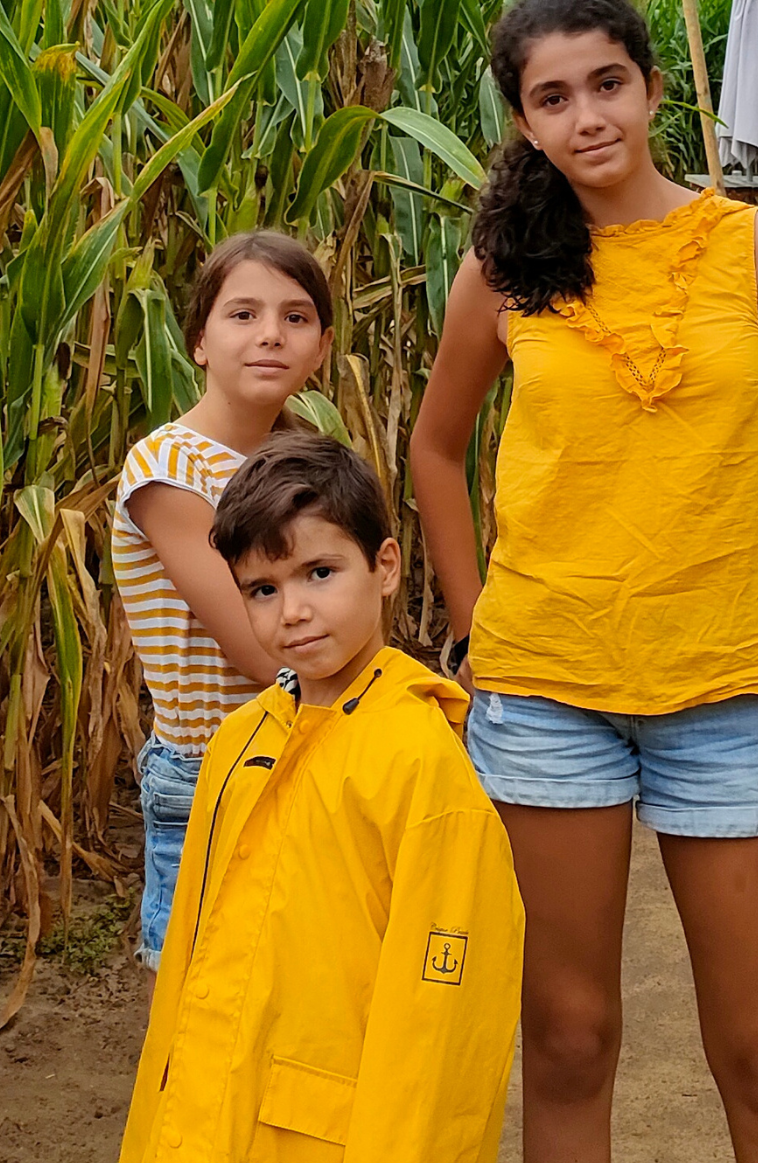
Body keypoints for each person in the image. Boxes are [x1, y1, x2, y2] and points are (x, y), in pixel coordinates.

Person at [409, 0, 758, 1162]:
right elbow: (434, 448)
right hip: (545, 695)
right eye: (550, 97)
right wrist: (472, 630)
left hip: (730, 697)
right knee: (564, 1039)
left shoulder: (751, 251)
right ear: (522, 122)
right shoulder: (502, 269)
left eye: (606, 83)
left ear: (651, 88)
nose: (585, 115)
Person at [120, 435, 524, 1163]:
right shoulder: (239, 743)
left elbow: (443, 1027)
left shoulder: (419, 764)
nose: (294, 610)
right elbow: (186, 966)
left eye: (320, 572)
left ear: (385, 566)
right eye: (263, 589)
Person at [111, 231, 336, 965]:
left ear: (321, 348)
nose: (270, 334)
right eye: (242, 315)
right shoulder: (168, 468)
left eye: (295, 318)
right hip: (212, 769)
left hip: (306, 752)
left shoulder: (307, 460)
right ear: (198, 341)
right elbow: (255, 642)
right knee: (201, 1007)